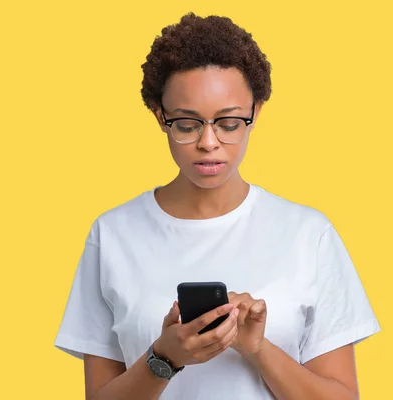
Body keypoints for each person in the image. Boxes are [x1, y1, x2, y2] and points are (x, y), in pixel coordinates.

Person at [54, 12, 380, 400]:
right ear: (160, 116)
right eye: (187, 124)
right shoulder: (112, 234)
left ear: (255, 113)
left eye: (227, 123)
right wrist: (164, 358)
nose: (208, 142)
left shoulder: (309, 234)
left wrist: (256, 348)